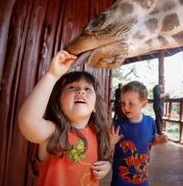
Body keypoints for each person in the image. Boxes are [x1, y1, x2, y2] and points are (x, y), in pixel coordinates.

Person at [18, 50, 112, 186]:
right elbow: (28, 122)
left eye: (88, 89)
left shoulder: (97, 133)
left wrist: (106, 167)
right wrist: (52, 75)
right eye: (72, 88)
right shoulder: (53, 132)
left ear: (95, 107)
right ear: (59, 102)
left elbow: (102, 161)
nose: (81, 91)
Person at [110, 81, 168, 185]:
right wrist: (111, 142)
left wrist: (157, 140)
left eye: (130, 103)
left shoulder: (150, 122)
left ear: (144, 104)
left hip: (142, 179)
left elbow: (151, 140)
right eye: (122, 103)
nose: (125, 107)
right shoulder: (117, 126)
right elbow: (106, 149)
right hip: (120, 180)